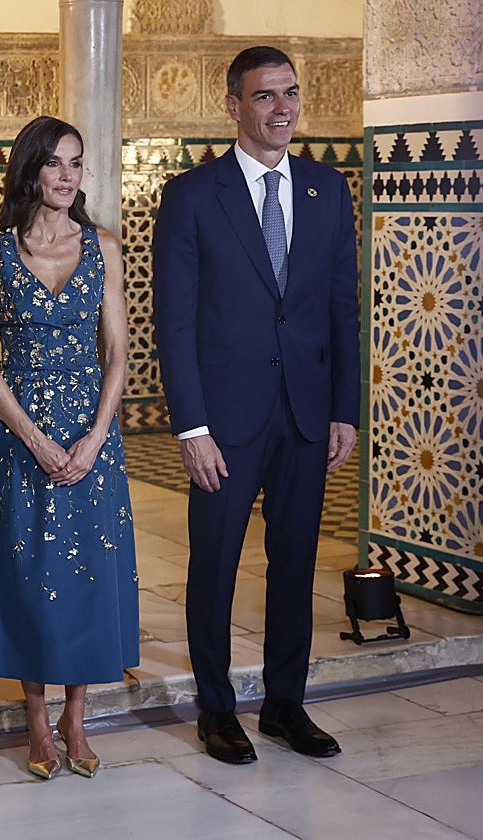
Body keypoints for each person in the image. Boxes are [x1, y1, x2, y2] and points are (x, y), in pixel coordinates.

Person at [152, 46, 360, 765]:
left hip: (305, 413)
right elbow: (173, 320)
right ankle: (217, 710)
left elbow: (342, 308)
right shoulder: (191, 195)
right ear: (233, 105)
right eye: (266, 97)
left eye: (291, 94)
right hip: (225, 421)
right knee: (213, 562)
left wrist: (344, 410)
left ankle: (284, 704)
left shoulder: (327, 191)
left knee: (295, 560)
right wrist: (192, 426)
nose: (283, 110)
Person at [0, 116, 140, 781]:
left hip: (92, 437)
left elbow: (118, 351)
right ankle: (37, 719)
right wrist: (35, 439)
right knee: (32, 574)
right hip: (18, 437)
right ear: (31, 169)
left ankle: (77, 716)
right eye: (56, 163)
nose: (68, 176)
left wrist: (94, 438)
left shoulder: (105, 247)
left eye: (77, 163)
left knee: (88, 573)